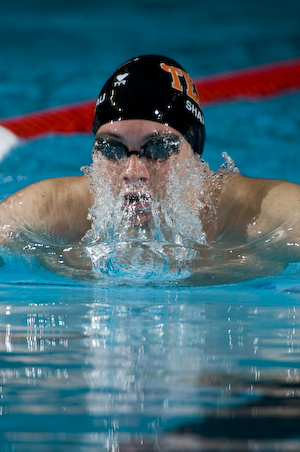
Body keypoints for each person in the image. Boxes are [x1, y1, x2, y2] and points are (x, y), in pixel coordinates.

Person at [0, 55, 299, 265]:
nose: (132, 172)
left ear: (194, 154)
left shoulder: (257, 218)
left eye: (157, 149)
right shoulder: (50, 213)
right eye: (113, 150)